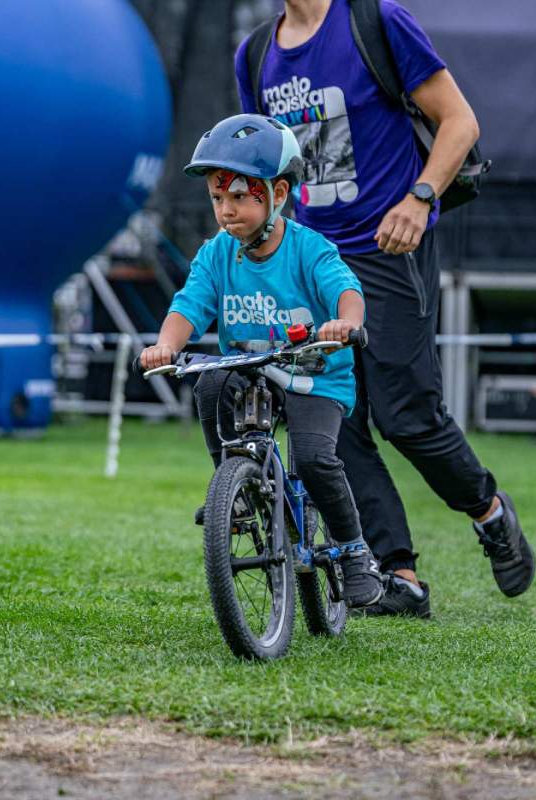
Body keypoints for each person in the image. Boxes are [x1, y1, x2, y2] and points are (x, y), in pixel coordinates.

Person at [234, 0, 535, 616]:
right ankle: (399, 575)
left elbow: (459, 121)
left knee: (406, 415)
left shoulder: (376, 21)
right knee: (333, 422)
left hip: (387, 245)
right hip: (312, 259)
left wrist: (420, 199)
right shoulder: (256, 53)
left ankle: (489, 511)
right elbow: (260, 163)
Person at [140, 113, 383, 608]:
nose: (225, 210)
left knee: (315, 458)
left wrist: (344, 322)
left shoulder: (308, 250)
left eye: (238, 197)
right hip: (253, 374)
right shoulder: (216, 255)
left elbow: (346, 291)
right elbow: (189, 305)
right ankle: (228, 490)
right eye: (216, 198)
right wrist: (166, 343)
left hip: (315, 378)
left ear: (277, 195)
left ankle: (355, 552)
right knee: (210, 383)